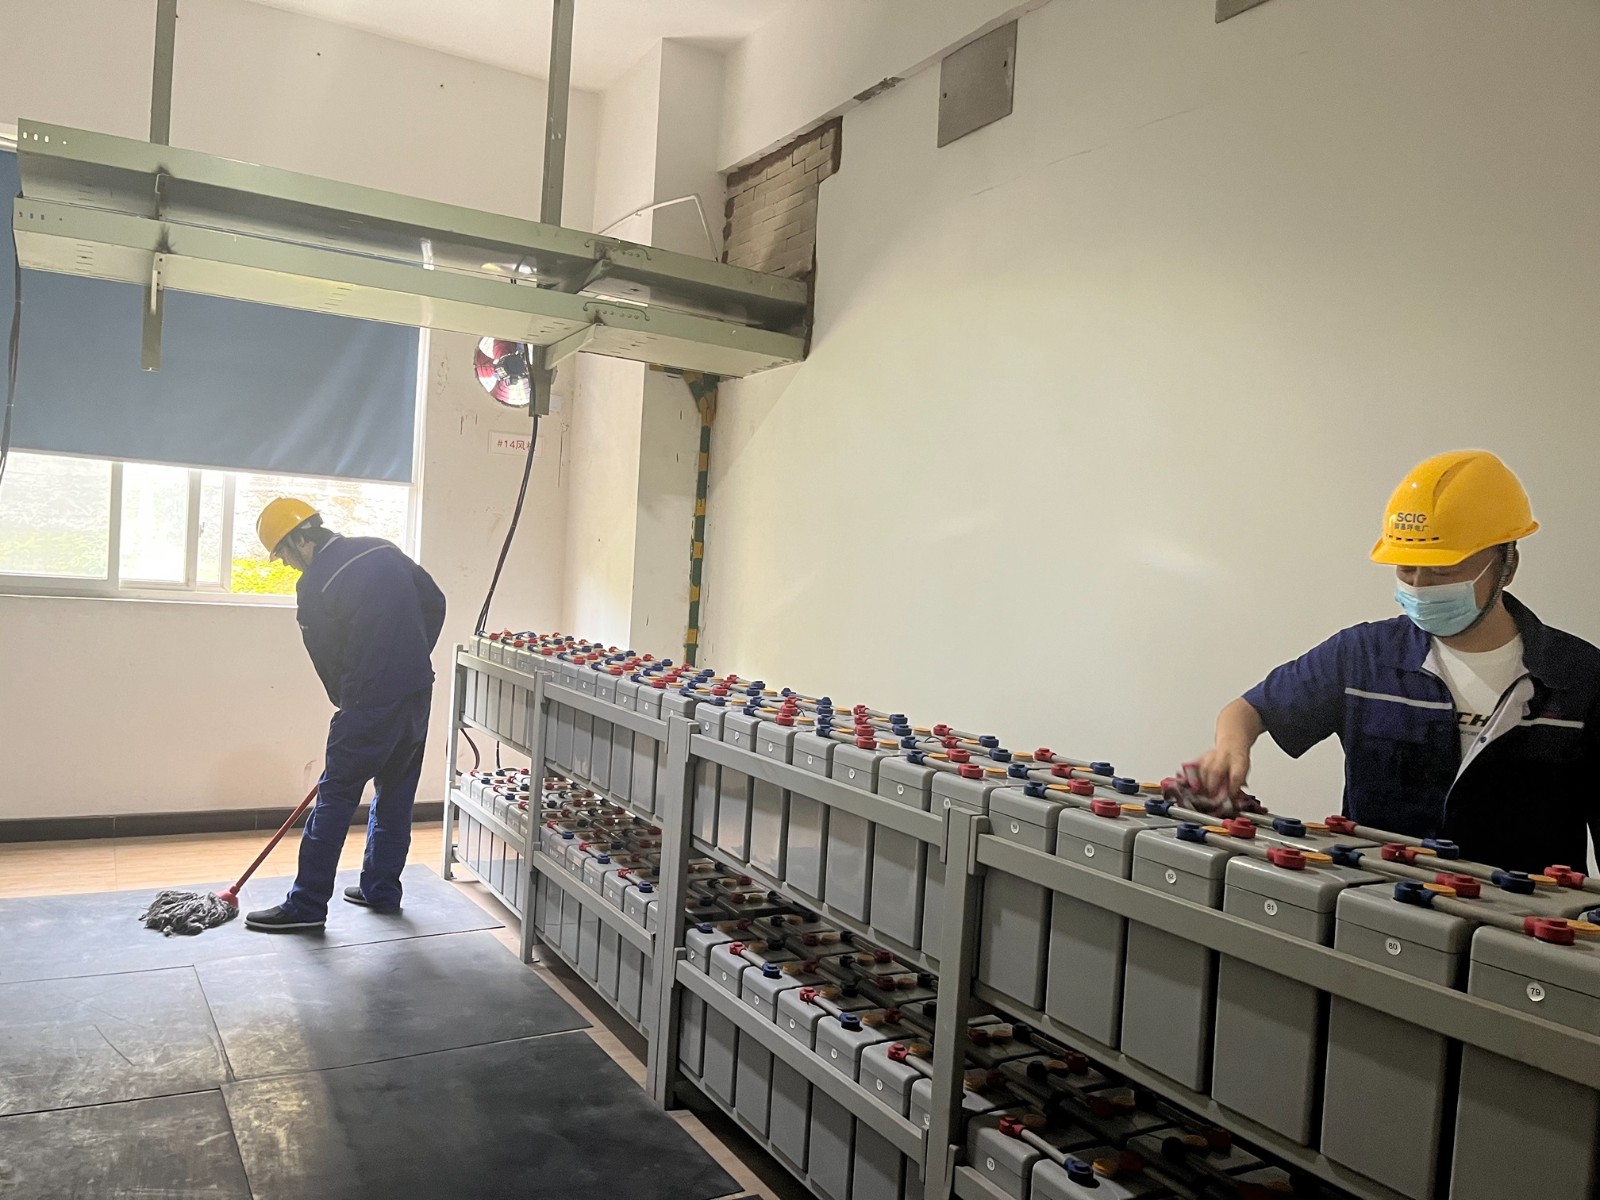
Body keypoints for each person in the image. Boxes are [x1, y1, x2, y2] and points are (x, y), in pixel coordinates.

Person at [1191, 450, 1600, 874]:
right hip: (1375, 898)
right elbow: (1251, 709)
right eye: (1407, 569)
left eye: (1443, 571)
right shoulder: (1364, 656)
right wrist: (1230, 750)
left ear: (1507, 566)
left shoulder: (1581, 678)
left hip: (1523, 911)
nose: (1421, 586)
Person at [244, 498, 446, 931]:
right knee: (396, 792)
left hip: (369, 702)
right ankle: (381, 888)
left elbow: (326, 657)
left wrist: (351, 695)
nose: (286, 564)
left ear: (301, 540)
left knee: (335, 798)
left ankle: (307, 904)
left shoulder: (315, 586)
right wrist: (411, 657)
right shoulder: (382, 548)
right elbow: (435, 601)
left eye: (283, 553)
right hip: (416, 691)